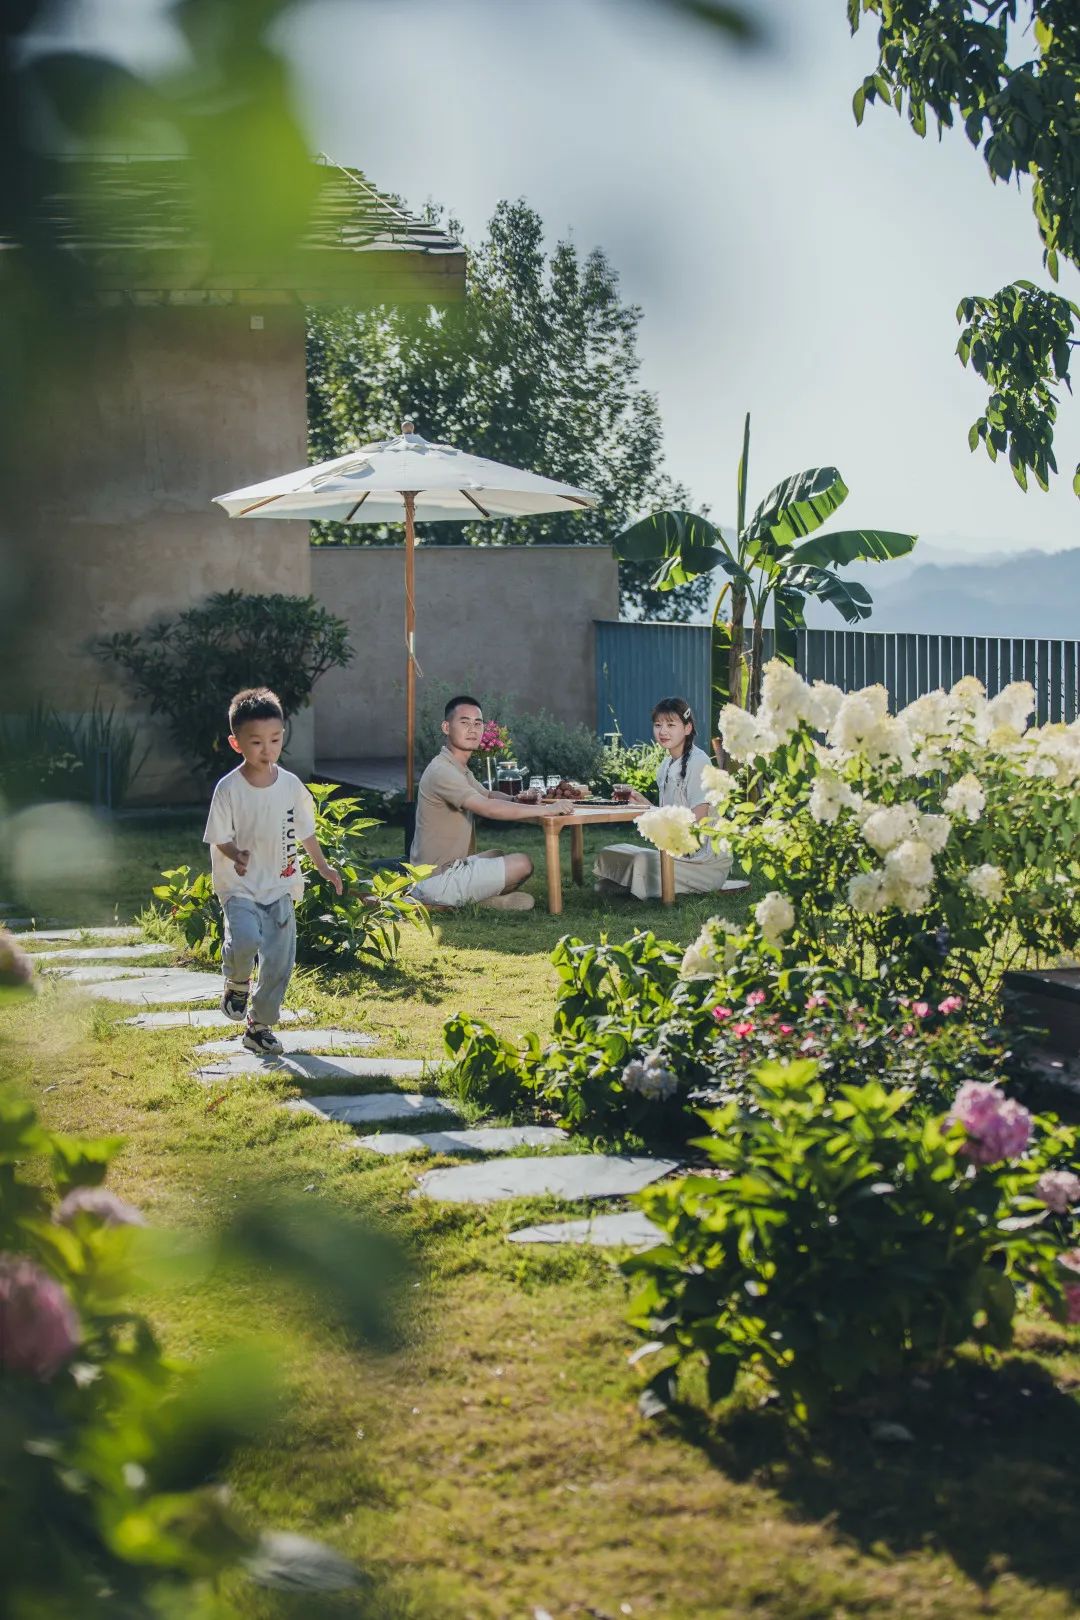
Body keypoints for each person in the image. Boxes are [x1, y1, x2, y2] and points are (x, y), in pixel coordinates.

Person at [203, 687, 342, 1056]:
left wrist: (324, 867)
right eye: (257, 742)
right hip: (240, 886)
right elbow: (218, 838)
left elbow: (306, 832)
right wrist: (237, 854)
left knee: (280, 962)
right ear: (236, 744)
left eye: (275, 740)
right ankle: (236, 981)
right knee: (245, 939)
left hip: (280, 883)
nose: (268, 749)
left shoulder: (291, 786)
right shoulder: (229, 788)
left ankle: (259, 1026)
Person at [410, 694, 574, 911]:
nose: (472, 729)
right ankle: (437, 902)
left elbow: (488, 796)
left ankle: (480, 902)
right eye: (464, 722)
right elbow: (487, 807)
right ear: (446, 727)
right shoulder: (442, 771)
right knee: (522, 863)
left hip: (455, 866)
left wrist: (516, 799)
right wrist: (548, 809)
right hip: (434, 879)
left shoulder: (457, 766)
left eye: (477, 723)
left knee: (496, 855)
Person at [594, 695, 746, 900]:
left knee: (640, 861)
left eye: (670, 724)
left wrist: (659, 824)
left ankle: (629, 883)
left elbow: (697, 821)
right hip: (679, 852)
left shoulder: (698, 762)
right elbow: (668, 814)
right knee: (611, 852)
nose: (663, 731)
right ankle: (630, 882)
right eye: (658, 725)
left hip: (703, 861)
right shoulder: (666, 765)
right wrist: (643, 804)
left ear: (687, 728)